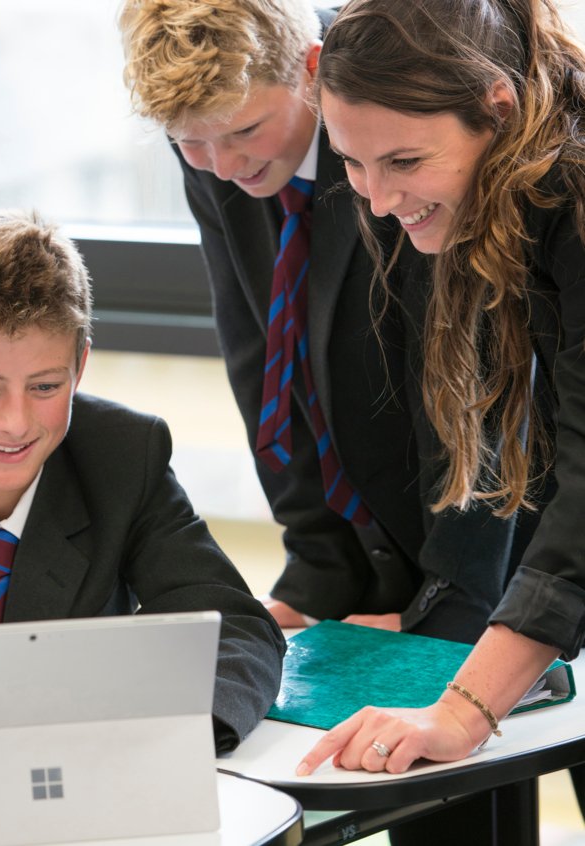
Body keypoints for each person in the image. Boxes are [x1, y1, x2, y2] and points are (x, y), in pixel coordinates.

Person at [118, 0, 525, 644]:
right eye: (190, 142)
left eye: (245, 132)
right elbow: (263, 354)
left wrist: (450, 606)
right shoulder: (217, 139)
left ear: (313, 71)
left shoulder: (388, 119)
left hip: (495, 556)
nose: (223, 167)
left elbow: (472, 384)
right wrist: (318, 571)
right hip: (378, 542)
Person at [0, 207, 286, 778]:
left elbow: (238, 629)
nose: (15, 422)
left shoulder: (122, 458)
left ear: (80, 366)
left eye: (45, 386)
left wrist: (162, 737)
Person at [297, 0, 585, 786]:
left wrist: (462, 712)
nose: (379, 201)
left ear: (498, 107)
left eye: (403, 163)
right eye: (352, 163)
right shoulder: (512, 193)